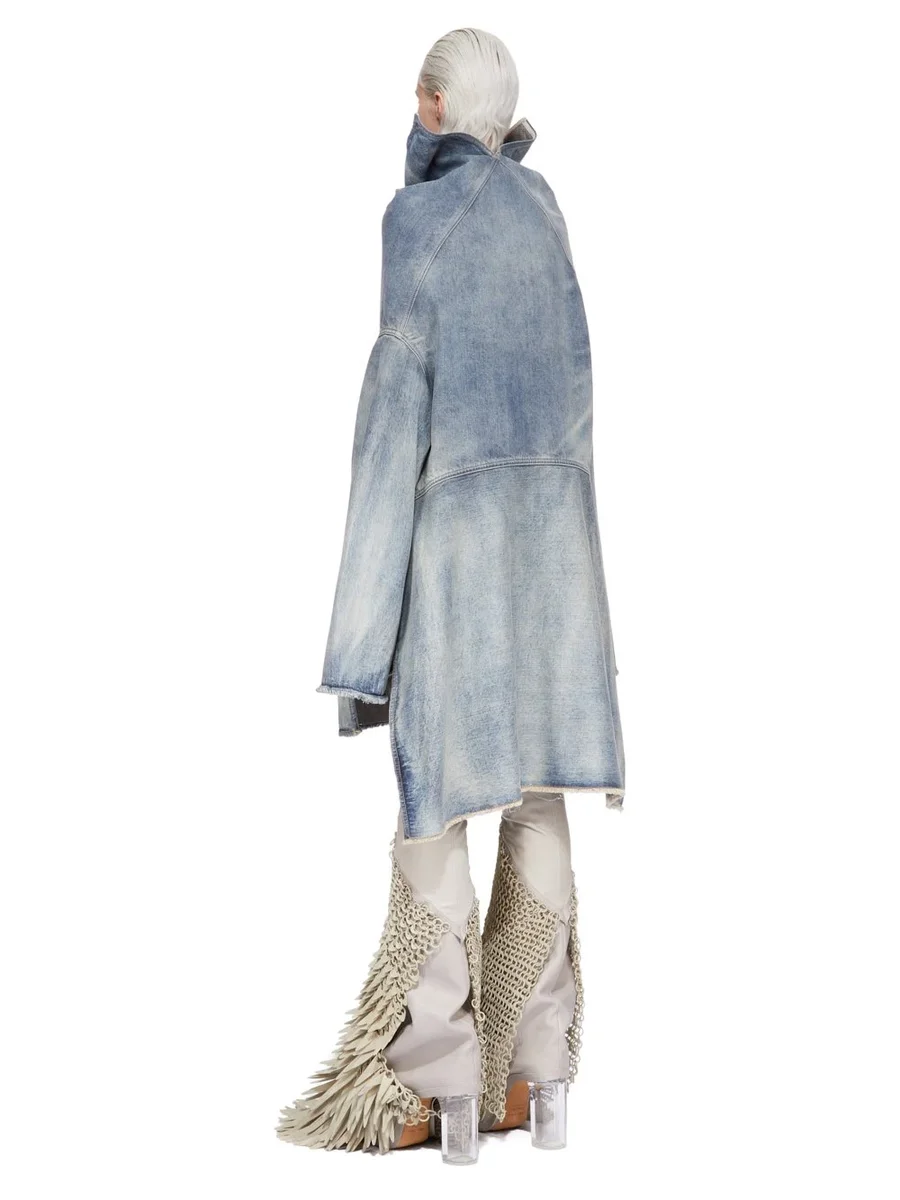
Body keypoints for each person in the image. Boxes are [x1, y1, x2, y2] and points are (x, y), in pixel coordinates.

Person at [277, 27, 625, 1164]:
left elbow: (393, 421)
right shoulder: (546, 210)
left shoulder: (417, 221)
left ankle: (444, 1092)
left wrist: (360, 636)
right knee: (537, 794)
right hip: (556, 557)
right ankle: (542, 1080)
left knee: (434, 815)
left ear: (431, 106)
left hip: (459, 559)